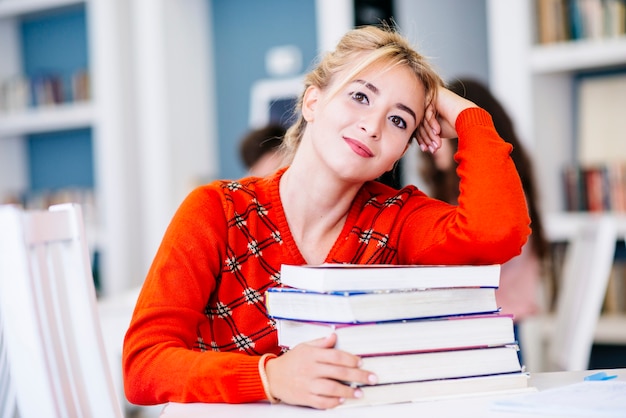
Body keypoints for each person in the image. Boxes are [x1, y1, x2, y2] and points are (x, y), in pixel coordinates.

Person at [123, 26, 531, 410]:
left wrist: (467, 115)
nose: (372, 125)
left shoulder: (396, 218)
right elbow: (144, 366)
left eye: (398, 120)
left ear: (400, 150)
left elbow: (497, 233)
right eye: (360, 96)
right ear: (313, 101)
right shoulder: (217, 210)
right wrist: (269, 377)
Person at [419, 78, 549, 343]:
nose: (434, 133)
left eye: (441, 122)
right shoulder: (502, 188)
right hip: (497, 324)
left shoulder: (493, 197)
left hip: (494, 329)